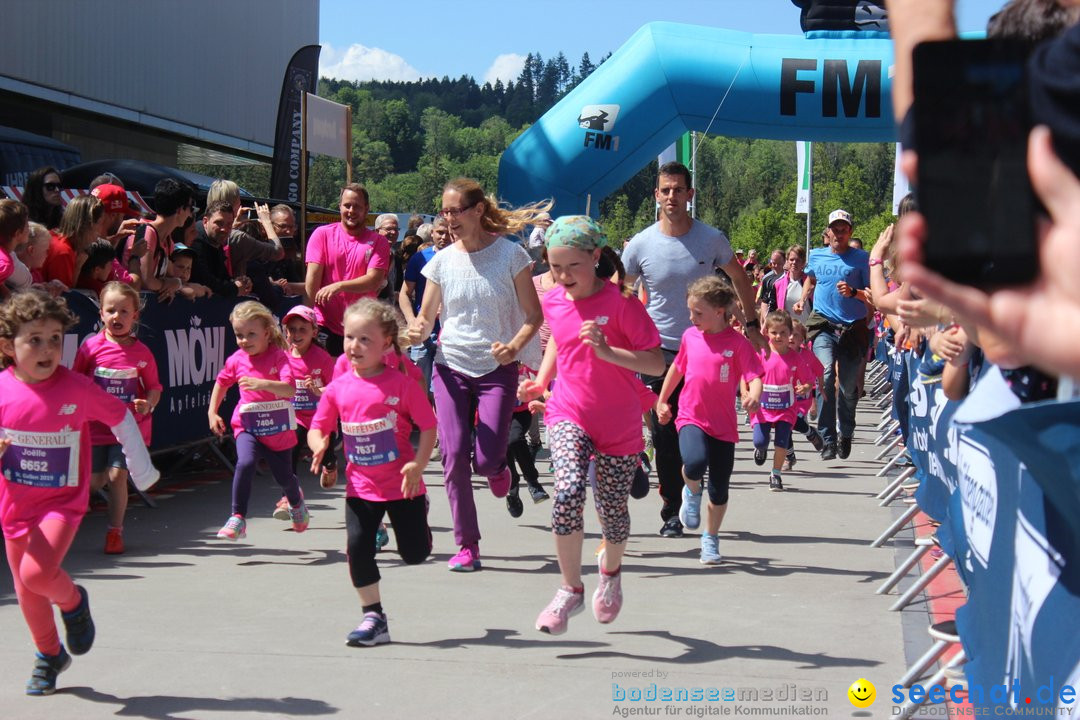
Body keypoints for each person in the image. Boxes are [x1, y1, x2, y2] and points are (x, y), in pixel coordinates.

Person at [0, 290, 158, 696]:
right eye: (34, 339)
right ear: (7, 346)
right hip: (15, 507)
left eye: (55, 338)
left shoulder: (75, 387)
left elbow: (121, 416)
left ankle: (73, 602)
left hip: (61, 504)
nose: (48, 348)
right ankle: (49, 656)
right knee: (25, 588)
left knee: (37, 575)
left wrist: (142, 471)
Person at [516, 216, 663, 633]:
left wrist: (609, 352)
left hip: (618, 422)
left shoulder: (623, 304)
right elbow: (561, 343)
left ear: (596, 257)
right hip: (568, 411)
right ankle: (569, 589)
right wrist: (541, 382)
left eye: (571, 267)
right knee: (566, 492)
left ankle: (611, 575)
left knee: (612, 512)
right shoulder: (555, 299)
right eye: (554, 267)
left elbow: (654, 362)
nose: (561, 277)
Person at [406, 177, 545, 572]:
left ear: (478, 210)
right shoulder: (441, 262)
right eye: (444, 212)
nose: (448, 219)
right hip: (450, 366)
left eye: (455, 211)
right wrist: (417, 329)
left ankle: (498, 469)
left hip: (497, 368)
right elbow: (426, 316)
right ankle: (467, 544)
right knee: (451, 456)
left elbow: (534, 316)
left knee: (484, 460)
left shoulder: (511, 256)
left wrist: (513, 348)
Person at [622, 161, 765, 539]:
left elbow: (740, 278)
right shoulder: (641, 243)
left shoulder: (711, 239)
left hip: (708, 351)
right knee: (666, 435)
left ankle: (696, 488)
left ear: (690, 194)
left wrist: (751, 325)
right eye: (665, 190)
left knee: (704, 434)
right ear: (656, 196)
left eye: (678, 190)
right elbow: (619, 291)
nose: (671, 196)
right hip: (659, 352)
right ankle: (672, 509)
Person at [308, 298, 437, 647]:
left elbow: (428, 426)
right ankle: (373, 617)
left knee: (415, 554)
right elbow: (318, 425)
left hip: (404, 484)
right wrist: (319, 443)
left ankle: (419, 524)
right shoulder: (338, 387)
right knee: (357, 547)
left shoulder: (403, 384)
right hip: (361, 486)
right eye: (350, 337)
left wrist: (419, 464)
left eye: (365, 339)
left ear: (386, 344)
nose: (354, 346)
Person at [654, 276, 762, 563]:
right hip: (690, 415)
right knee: (694, 462)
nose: (692, 318)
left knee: (719, 488)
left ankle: (710, 538)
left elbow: (754, 375)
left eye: (698, 313)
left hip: (723, 426)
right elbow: (676, 370)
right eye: (690, 312)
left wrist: (754, 395)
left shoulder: (737, 343)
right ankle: (691, 489)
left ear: (719, 311)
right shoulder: (690, 337)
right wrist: (662, 400)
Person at [72, 282, 162, 555]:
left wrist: (148, 404)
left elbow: (155, 388)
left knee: (118, 475)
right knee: (94, 482)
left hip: (128, 427)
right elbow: (75, 383)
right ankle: (67, 513)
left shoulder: (142, 353)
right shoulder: (90, 349)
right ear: (101, 314)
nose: (117, 317)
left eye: (124, 311)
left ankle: (115, 532)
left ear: (135, 315)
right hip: (95, 427)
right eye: (111, 310)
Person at [208, 301, 309, 540]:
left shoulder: (278, 357)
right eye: (239, 335)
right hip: (248, 426)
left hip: (277, 429)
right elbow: (222, 382)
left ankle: (296, 503)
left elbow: (290, 390)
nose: (244, 340)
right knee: (245, 463)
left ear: (266, 332)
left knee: (284, 477)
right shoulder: (236, 359)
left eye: (251, 334)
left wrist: (262, 384)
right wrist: (212, 411)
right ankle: (238, 517)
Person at [793, 209, 871, 461]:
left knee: (848, 387)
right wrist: (803, 298)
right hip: (824, 325)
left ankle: (845, 432)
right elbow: (811, 281)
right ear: (828, 232)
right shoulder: (816, 256)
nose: (838, 233)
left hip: (851, 328)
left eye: (843, 229)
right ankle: (827, 438)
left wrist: (853, 292)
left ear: (850, 231)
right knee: (825, 375)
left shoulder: (861, 258)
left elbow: (872, 294)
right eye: (834, 229)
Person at [305, 184, 390, 356]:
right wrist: (306, 317)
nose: (351, 211)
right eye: (347, 205)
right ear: (340, 207)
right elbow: (312, 279)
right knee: (324, 381)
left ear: (366, 209)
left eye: (357, 206)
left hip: (362, 327)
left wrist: (339, 286)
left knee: (358, 381)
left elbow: (374, 281)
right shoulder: (322, 234)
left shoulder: (379, 242)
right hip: (325, 324)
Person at [272, 305, 337, 523]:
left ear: (314, 332)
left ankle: (331, 464)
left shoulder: (323, 358)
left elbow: (337, 387)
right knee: (289, 456)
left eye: (303, 329)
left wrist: (319, 391)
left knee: (325, 453)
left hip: (321, 418)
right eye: (292, 329)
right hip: (296, 417)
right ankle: (287, 499)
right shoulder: (283, 357)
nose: (297, 334)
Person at [749, 310, 816, 491]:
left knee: (782, 442)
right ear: (767, 333)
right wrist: (746, 392)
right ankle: (761, 449)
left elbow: (809, 379)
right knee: (760, 441)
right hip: (762, 409)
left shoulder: (796, 358)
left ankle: (775, 474)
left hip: (786, 409)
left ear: (790, 335)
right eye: (774, 333)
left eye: (783, 333)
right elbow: (747, 374)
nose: (778, 337)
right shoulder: (762, 354)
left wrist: (806, 387)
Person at [398, 216, 450, 396]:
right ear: (432, 233)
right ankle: (424, 422)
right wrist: (411, 320)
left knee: (443, 389)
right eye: (440, 233)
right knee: (420, 386)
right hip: (423, 331)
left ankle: (440, 423)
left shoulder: (464, 257)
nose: (444, 237)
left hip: (450, 333)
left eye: (449, 233)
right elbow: (404, 293)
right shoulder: (420, 258)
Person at [123, 179, 195, 300]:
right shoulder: (147, 233)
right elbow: (147, 281)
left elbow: (172, 277)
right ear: (179, 210)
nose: (190, 214)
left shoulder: (167, 240)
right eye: (190, 208)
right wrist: (171, 284)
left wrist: (174, 284)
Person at [504, 364, 549, 518]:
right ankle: (512, 490)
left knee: (514, 439)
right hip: (497, 411)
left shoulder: (523, 350)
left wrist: (545, 391)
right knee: (504, 447)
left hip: (521, 411)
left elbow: (540, 371)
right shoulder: (491, 353)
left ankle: (533, 483)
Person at [189, 201, 252, 298]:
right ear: (205, 222)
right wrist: (235, 289)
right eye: (219, 223)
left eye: (229, 224)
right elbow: (205, 280)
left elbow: (221, 276)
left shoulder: (214, 239)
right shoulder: (195, 240)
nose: (224, 229)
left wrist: (240, 282)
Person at [42, 195, 105, 289]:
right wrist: (77, 268)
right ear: (88, 224)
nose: (101, 230)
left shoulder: (55, 236)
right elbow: (63, 296)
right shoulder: (63, 252)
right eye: (100, 223)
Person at [374, 213, 401, 301]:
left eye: (396, 229)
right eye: (388, 229)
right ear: (377, 231)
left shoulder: (395, 256)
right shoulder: (370, 254)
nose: (393, 232)